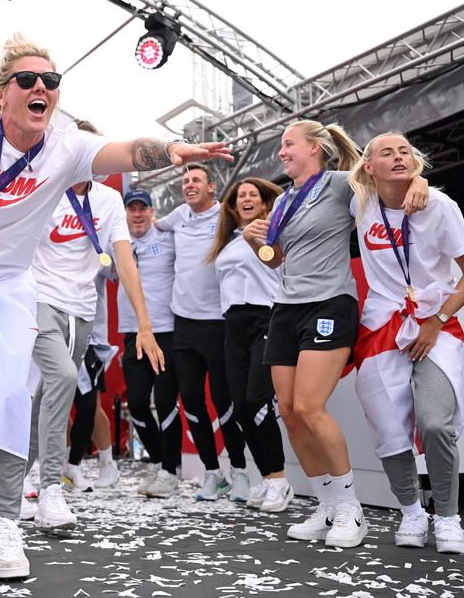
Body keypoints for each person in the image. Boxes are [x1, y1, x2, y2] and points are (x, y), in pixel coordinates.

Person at [0, 33, 231, 579]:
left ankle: (5, 526)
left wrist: (169, 152)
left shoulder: (67, 144)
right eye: (27, 80)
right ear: (2, 93)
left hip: (7, 285)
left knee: (5, 403)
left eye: (50, 82)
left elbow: (126, 150)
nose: (41, 89)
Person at [243, 120, 428, 548]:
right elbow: (277, 261)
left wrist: (417, 178)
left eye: (289, 144)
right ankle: (327, 506)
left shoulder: (341, 183)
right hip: (285, 308)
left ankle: (351, 511)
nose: (282, 152)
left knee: (310, 406)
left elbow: (391, 176)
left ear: (314, 148)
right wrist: (258, 242)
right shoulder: (285, 197)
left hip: (330, 305)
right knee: (288, 411)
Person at [349, 133, 464, 554]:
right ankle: (411, 513)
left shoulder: (441, 207)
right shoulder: (361, 203)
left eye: (405, 150)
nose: (398, 157)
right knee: (389, 431)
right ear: (369, 167)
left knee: (435, 423)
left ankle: (448, 517)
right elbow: (317, 181)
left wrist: (436, 320)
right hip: (380, 326)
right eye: (386, 153)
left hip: (434, 326)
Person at [27, 159, 163, 533]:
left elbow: (125, 263)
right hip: (38, 300)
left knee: (45, 393)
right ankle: (51, 488)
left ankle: (16, 478)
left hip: (83, 311)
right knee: (64, 378)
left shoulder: (109, 200)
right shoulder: (43, 186)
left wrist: (145, 325)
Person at [159, 163, 248, 502]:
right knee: (192, 401)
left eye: (196, 180)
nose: (189, 184)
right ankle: (213, 474)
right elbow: (148, 227)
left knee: (224, 401)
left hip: (219, 322)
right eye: (185, 181)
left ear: (212, 187)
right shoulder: (178, 216)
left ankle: (239, 471)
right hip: (182, 324)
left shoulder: (226, 216)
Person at [207, 177, 291, 512]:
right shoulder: (226, 242)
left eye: (253, 195)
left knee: (257, 401)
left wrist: (262, 232)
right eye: (240, 196)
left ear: (264, 202)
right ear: (232, 205)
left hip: (266, 318)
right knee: (240, 407)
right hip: (233, 323)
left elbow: (279, 262)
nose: (245, 199)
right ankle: (269, 478)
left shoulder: (273, 230)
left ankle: (279, 478)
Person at [115, 188, 184, 497]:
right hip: (132, 333)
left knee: (167, 403)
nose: (138, 214)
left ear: (152, 212)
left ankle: (170, 470)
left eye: (143, 209)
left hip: (166, 331)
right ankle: (159, 462)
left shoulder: (166, 238)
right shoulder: (117, 245)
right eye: (133, 209)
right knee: (139, 404)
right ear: (126, 213)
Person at [65, 271, 120, 490]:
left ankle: (106, 463)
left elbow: (117, 271)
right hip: (55, 333)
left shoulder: (98, 242)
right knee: (55, 404)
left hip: (90, 337)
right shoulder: (48, 243)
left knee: (89, 405)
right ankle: (66, 464)